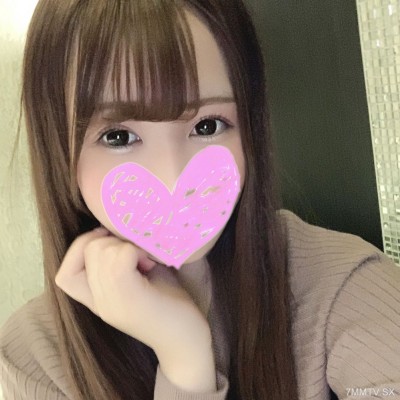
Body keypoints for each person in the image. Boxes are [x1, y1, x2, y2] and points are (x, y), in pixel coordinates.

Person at [1, 0, 400, 399]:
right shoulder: (33, 359)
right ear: (58, 152)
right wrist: (183, 359)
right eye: (118, 137)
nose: (172, 178)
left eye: (207, 126)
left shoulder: (346, 290)